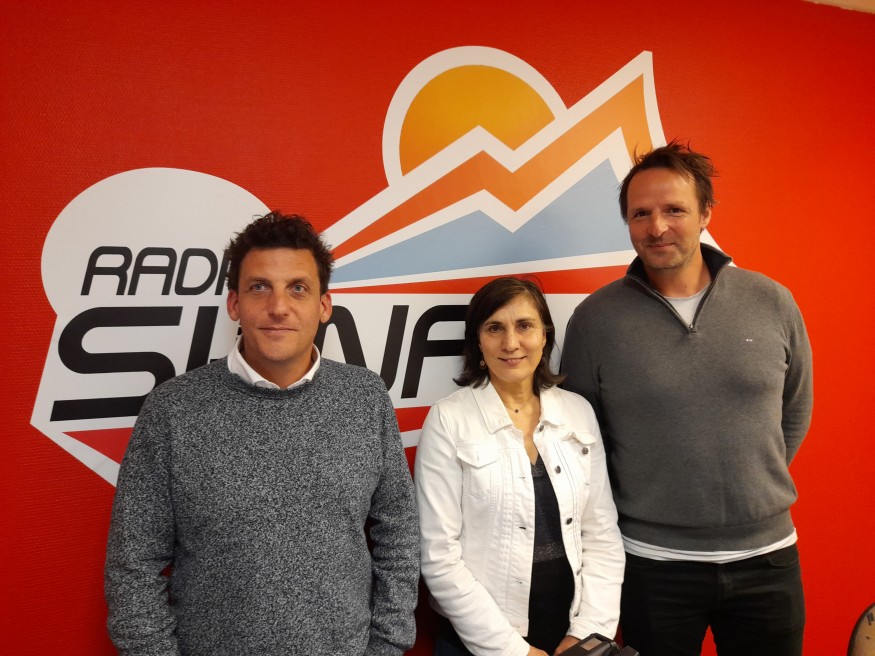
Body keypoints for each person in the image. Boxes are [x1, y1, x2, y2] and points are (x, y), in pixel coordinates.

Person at [105, 211, 420, 656]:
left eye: (298, 288)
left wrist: (387, 647)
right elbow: (132, 565)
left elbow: (399, 532)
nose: (278, 307)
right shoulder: (172, 410)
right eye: (259, 287)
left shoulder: (365, 397)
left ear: (324, 305)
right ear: (234, 304)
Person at [561, 141, 813, 656]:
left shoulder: (771, 301)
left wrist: (748, 483)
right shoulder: (595, 320)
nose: (657, 227)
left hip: (767, 560)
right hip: (653, 567)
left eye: (674, 210)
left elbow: (795, 408)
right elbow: (580, 439)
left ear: (705, 214)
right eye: (641, 214)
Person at [415, 277, 624, 656]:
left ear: (545, 335)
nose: (511, 343)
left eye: (524, 326)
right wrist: (513, 651)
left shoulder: (578, 412)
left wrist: (587, 633)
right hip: (478, 641)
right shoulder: (448, 420)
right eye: (495, 328)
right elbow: (438, 555)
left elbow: (602, 535)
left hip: (570, 633)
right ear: (477, 342)